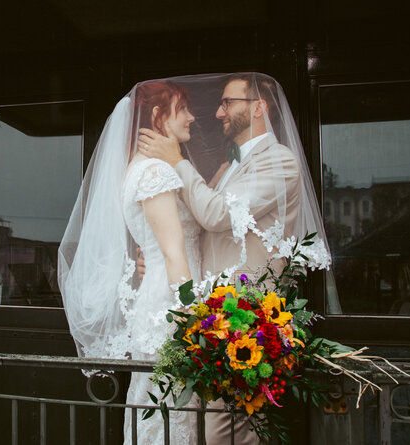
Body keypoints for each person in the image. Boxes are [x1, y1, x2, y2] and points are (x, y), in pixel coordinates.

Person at [138, 73, 331, 445]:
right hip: (217, 322)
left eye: (228, 103)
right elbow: (196, 226)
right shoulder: (229, 166)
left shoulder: (280, 163)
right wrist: (155, 257)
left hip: (248, 323)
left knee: (223, 435)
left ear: (258, 107)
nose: (218, 112)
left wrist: (176, 160)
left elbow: (213, 214)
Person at [58, 80, 203, 445]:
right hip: (172, 306)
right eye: (182, 108)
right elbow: (173, 252)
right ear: (158, 117)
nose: (192, 116)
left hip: (158, 298)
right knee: (171, 410)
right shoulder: (154, 173)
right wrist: (194, 313)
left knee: (160, 406)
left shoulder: (136, 170)